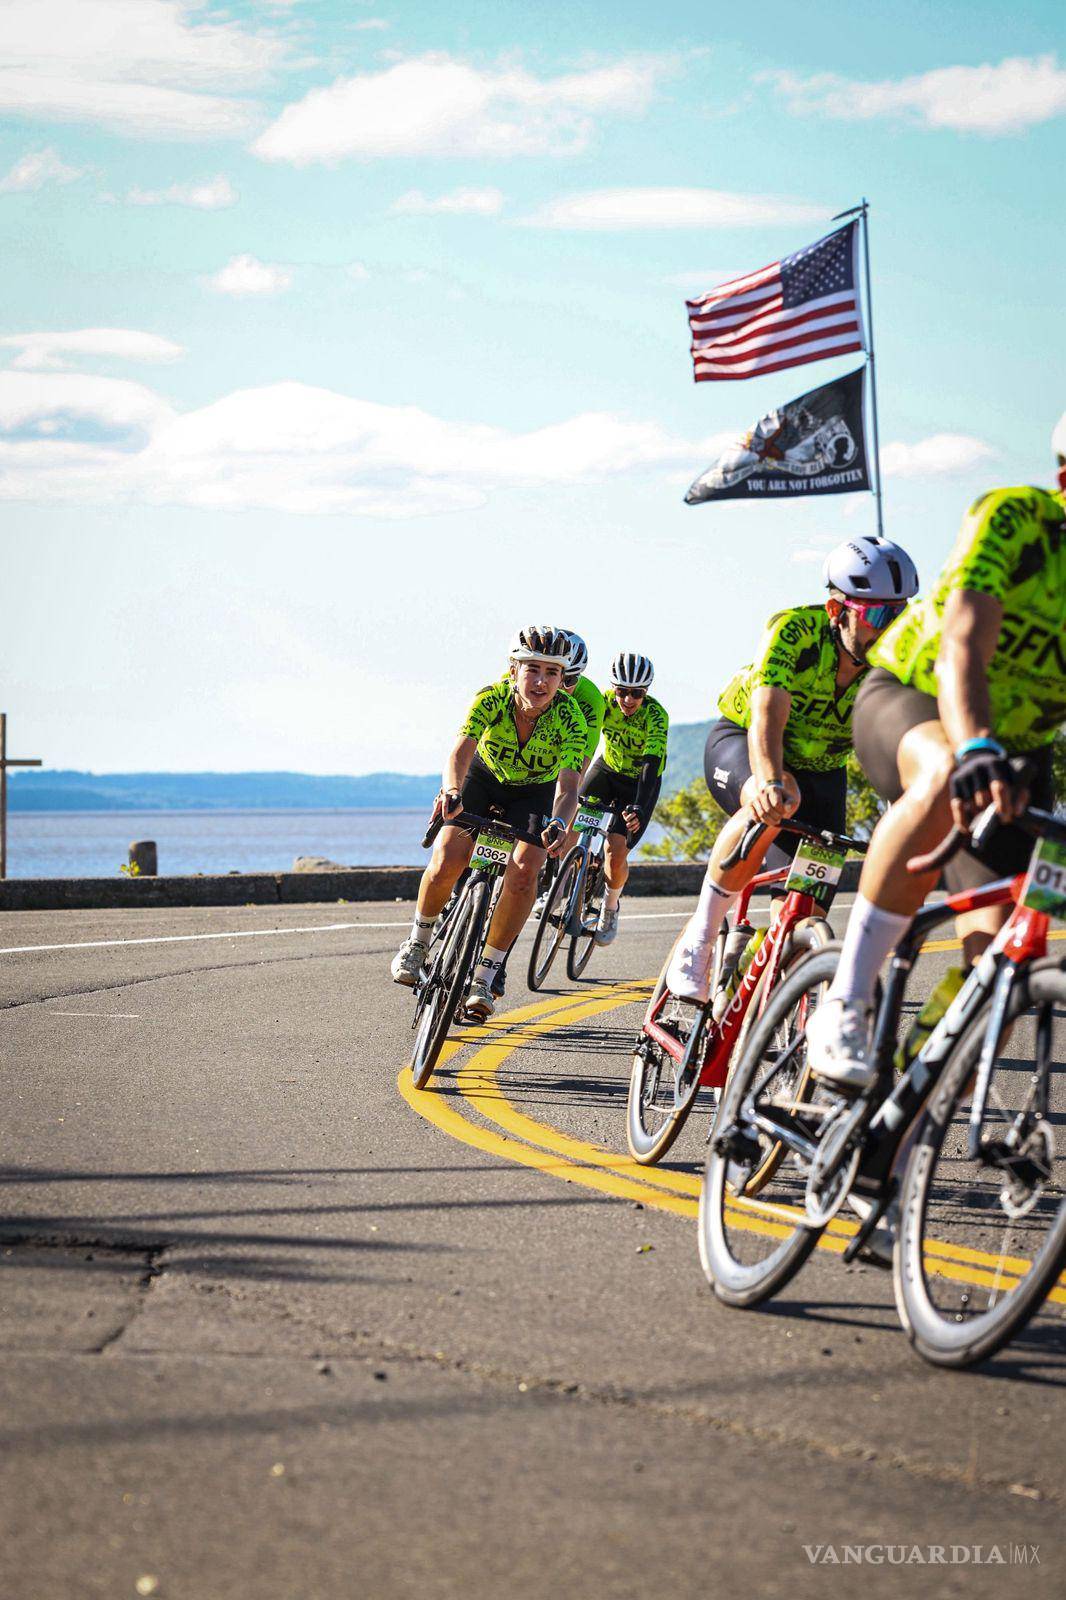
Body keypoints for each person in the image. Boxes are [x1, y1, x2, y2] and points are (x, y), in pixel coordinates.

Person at [806, 424, 1066, 1089]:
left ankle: (895, 1120)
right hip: (918, 696)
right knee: (948, 766)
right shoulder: (1017, 520)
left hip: (1020, 757)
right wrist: (976, 743)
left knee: (1001, 972)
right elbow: (962, 647)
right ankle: (847, 1000)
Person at [666, 536, 919, 1002]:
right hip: (747, 742)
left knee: (803, 916)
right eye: (878, 616)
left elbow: (900, 740)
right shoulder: (795, 632)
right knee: (779, 799)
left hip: (823, 770)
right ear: (835, 610)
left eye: (901, 616)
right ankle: (700, 939)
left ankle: (753, 988)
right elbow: (768, 716)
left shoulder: (900, 657)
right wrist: (766, 781)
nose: (890, 631)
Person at [390, 625, 586, 1018]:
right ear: (513, 670)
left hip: (533, 791)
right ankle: (417, 941)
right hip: (482, 779)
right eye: (533, 669)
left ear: (563, 680)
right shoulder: (491, 698)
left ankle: (485, 974)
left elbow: (567, 787)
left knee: (525, 871)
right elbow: (460, 753)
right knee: (448, 856)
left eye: (552, 673)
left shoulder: (572, 720)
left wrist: (561, 825)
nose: (541, 681)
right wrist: (450, 790)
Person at [493, 629, 603, 998]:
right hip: (511, 764)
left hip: (557, 764)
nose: (561, 686)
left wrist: (559, 821)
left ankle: (498, 963)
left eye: (567, 678)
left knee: (551, 835)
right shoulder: (518, 688)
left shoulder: (586, 703)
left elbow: (576, 771)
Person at [581, 652, 669, 945]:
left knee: (614, 851)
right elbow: (584, 738)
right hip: (607, 769)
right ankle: (558, 883)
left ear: (647, 692)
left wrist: (639, 806)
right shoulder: (604, 703)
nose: (628, 700)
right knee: (569, 816)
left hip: (638, 781)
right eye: (622, 691)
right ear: (613, 688)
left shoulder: (656, 715)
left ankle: (609, 907)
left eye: (637, 694)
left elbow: (651, 763)